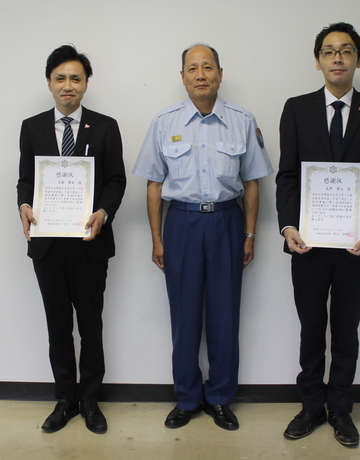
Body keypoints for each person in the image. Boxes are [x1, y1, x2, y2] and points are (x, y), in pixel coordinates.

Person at [133, 44, 273, 431]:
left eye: (207, 67)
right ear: (182, 77)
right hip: (182, 224)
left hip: (227, 222)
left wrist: (249, 234)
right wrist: (157, 239)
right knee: (184, 316)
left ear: (220, 73)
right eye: (192, 69)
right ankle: (187, 397)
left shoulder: (242, 120)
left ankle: (221, 397)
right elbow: (153, 184)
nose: (200, 75)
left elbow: (252, 182)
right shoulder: (165, 122)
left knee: (225, 315)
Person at [276, 23, 360, 447]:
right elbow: (287, 176)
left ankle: (341, 409)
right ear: (318, 61)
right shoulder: (296, 109)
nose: (338, 58)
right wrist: (288, 226)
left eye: (346, 51)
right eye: (329, 51)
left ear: (358, 59)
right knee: (312, 326)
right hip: (307, 244)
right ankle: (311, 406)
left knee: (346, 328)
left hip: (355, 244)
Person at [17, 45, 126, 434]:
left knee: (91, 325)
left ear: (86, 84)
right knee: (58, 325)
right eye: (60, 78)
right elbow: (26, 180)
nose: (68, 85)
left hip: (90, 244)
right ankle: (65, 399)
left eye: (75, 78)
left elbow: (116, 180)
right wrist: (24, 205)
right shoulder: (32, 127)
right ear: (49, 83)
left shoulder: (105, 126)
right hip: (47, 246)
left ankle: (91, 400)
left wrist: (104, 212)